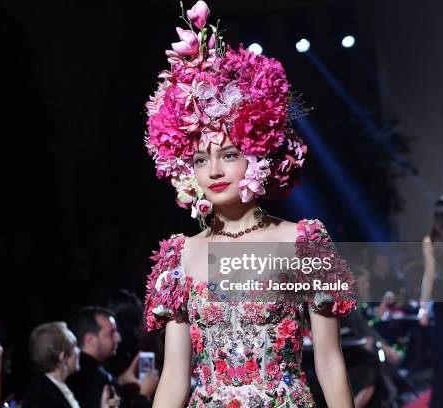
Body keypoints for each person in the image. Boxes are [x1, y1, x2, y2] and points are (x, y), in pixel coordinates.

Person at [142, 2, 357, 406]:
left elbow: (329, 362)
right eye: (201, 159)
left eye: (229, 153)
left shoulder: (302, 244)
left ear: (258, 155)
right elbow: (174, 375)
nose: (214, 170)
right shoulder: (180, 255)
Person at [418, 195, 443, 407]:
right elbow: (429, 274)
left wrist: (423, 307)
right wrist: (423, 307)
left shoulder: (433, 239)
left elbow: (429, 274)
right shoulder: (431, 240)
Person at [67, 307, 153, 408]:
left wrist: (121, 380)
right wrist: (144, 394)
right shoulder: (90, 380)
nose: (118, 338)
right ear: (90, 340)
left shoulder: (86, 371)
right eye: (111, 333)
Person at [22, 321, 120, 408]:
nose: (79, 351)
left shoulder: (63, 386)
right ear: (63, 357)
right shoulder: (41, 399)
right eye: (74, 347)